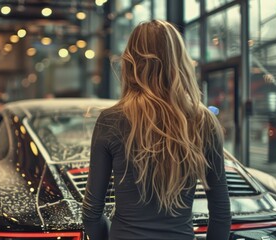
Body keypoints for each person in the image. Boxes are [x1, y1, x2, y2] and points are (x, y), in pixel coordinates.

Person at [82, 20, 231, 240]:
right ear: (179, 61)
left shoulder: (111, 120)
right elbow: (221, 213)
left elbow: (92, 213)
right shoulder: (202, 120)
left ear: (131, 63)